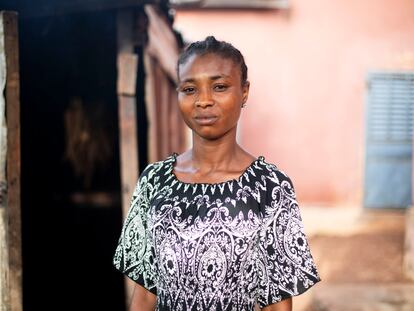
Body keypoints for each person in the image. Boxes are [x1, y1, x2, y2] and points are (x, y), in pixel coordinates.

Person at [113, 36, 320, 311]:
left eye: (219, 87)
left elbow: (277, 306)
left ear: (244, 92)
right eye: (189, 89)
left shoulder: (270, 187)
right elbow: (144, 297)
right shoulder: (154, 182)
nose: (203, 101)